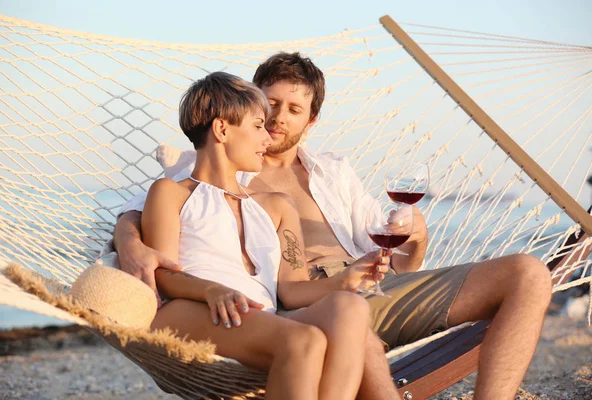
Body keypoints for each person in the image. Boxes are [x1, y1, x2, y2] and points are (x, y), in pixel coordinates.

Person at [113, 52, 552, 399]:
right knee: (343, 323)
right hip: (288, 309)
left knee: (528, 274)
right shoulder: (191, 172)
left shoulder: (326, 175)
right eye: (267, 111)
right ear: (231, 122)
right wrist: (131, 244)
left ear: (312, 120)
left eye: (293, 110)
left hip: (352, 290)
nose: (276, 123)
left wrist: (408, 239)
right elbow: (138, 219)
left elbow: (397, 264)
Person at [142, 71, 400, 400]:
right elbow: (162, 273)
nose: (267, 137)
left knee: (350, 308)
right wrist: (211, 290)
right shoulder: (171, 193)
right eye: (258, 125)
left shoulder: (277, 206)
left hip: (260, 317)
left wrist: (347, 279)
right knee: (305, 341)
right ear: (222, 129)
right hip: (190, 309)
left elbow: (291, 292)